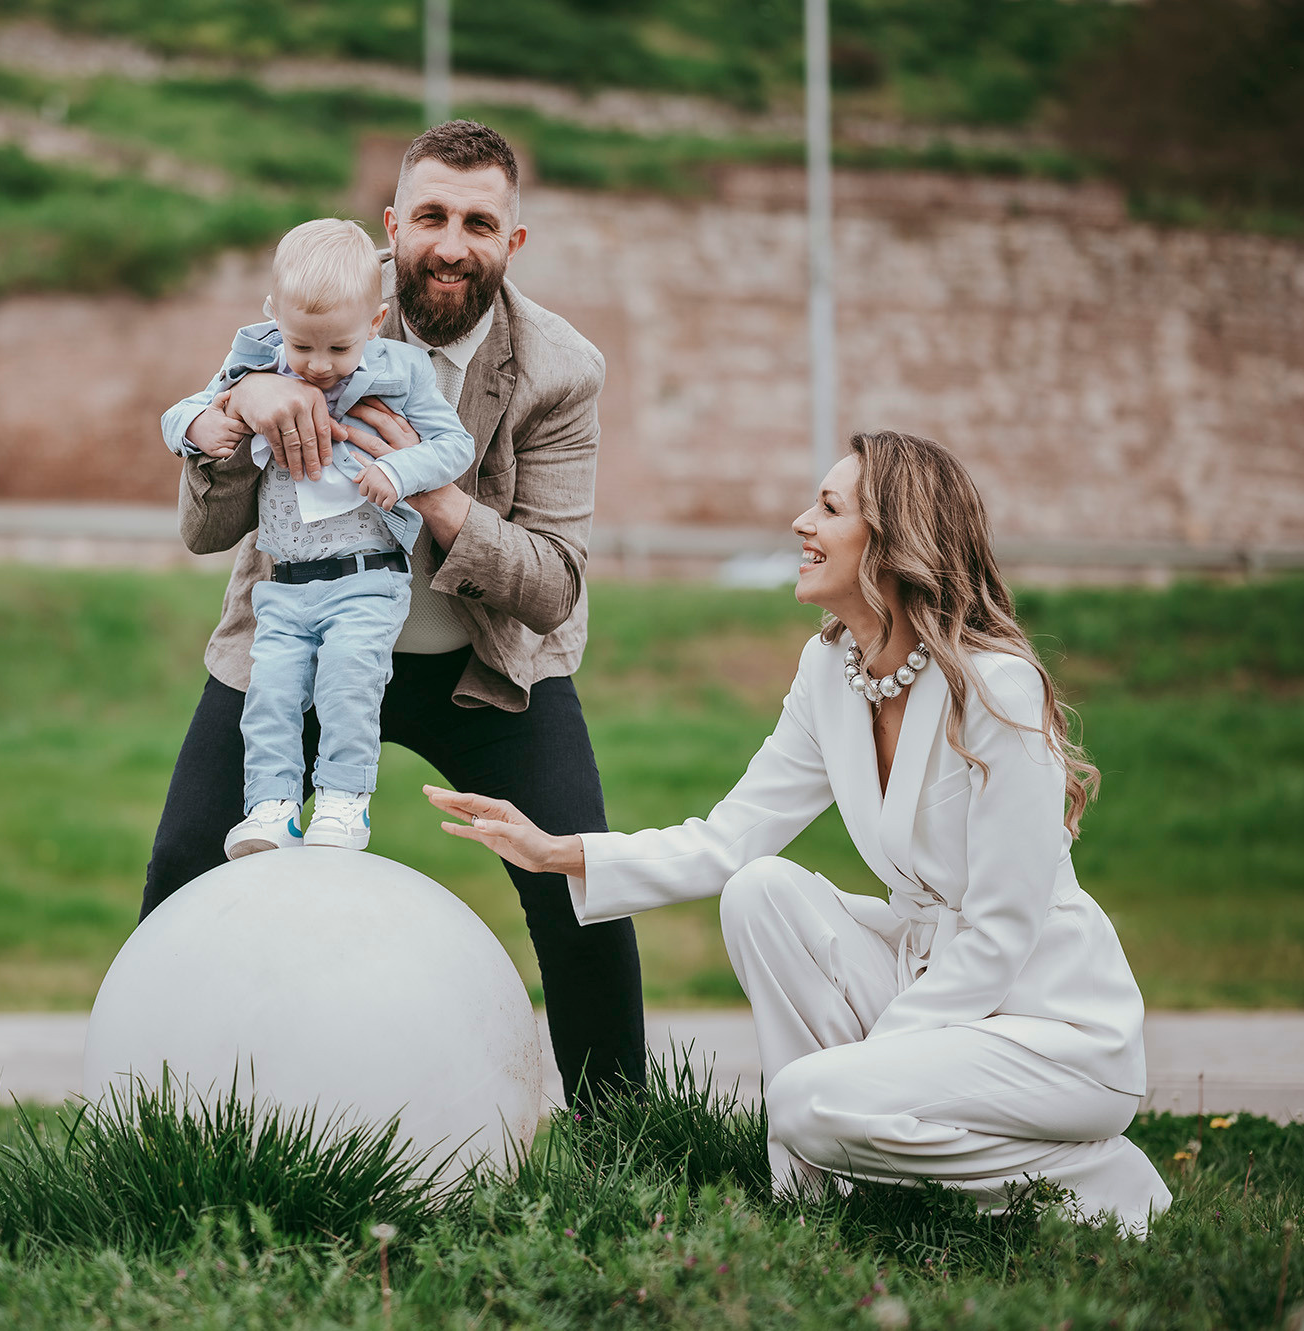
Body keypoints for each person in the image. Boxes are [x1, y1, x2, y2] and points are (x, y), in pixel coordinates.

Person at [429, 430, 1173, 1236]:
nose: (798, 523)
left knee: (805, 1099)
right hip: (933, 987)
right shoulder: (831, 673)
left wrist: (871, 1061)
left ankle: (1093, 1178)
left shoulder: (998, 690)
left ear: (893, 540)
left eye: (827, 507)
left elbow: (1000, 933)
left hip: (1048, 1024)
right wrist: (556, 850)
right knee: (761, 892)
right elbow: (730, 839)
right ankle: (819, 1196)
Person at [145, 121, 648, 1107]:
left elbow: (551, 584)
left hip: (483, 665)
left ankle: (626, 1143)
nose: (450, 242)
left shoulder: (562, 367)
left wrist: (434, 496)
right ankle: (152, 1112)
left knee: (579, 889)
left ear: (512, 240)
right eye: (429, 216)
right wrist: (231, 417)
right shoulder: (309, 305)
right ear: (392, 227)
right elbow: (206, 532)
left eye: (476, 221)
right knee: (185, 861)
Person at [162, 217, 476, 855]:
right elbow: (176, 413)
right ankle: (272, 810)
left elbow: (454, 446)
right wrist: (204, 423)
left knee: (348, 686)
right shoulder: (258, 361)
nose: (320, 366)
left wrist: (397, 469)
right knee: (270, 697)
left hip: (367, 576)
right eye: (304, 346)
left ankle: (343, 803)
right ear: (274, 315)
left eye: (339, 349)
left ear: (376, 320)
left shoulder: (406, 373)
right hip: (284, 583)